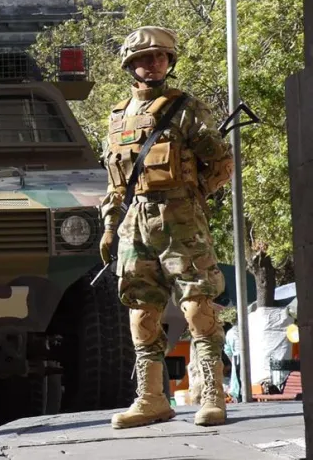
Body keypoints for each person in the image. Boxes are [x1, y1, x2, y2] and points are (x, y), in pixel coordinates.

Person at [99, 26, 234, 429]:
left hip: (181, 218)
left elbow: (223, 163)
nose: (153, 63)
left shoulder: (187, 108)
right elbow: (115, 180)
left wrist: (193, 194)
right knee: (141, 309)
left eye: (160, 57)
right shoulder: (118, 116)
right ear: (130, 65)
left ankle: (211, 395)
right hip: (135, 222)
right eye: (144, 58)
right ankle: (151, 399)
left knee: (197, 302)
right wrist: (109, 225)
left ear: (169, 62)